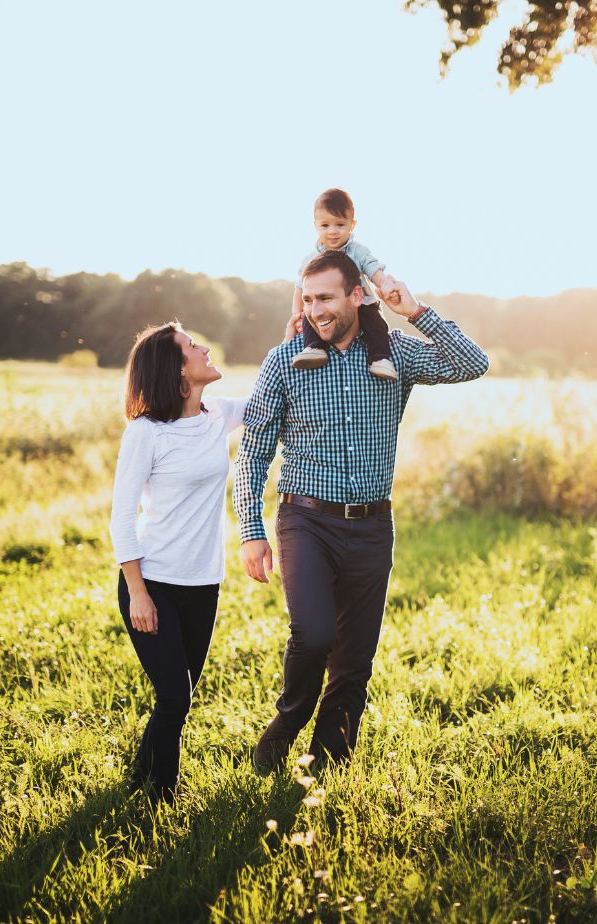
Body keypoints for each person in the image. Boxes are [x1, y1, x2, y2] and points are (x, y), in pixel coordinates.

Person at [234, 250, 489, 773]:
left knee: (354, 659)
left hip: (373, 526)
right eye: (307, 299)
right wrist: (250, 530)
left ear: (357, 296)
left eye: (325, 298)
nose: (314, 310)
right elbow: (255, 450)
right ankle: (288, 722)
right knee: (314, 634)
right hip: (305, 519)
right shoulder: (285, 361)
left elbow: (473, 363)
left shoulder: (393, 353)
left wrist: (415, 311)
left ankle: (328, 763)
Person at [109, 321, 247, 804]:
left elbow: (276, 396)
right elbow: (122, 520)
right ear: (177, 370)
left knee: (179, 698)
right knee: (174, 697)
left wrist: (300, 333)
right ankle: (159, 798)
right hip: (153, 582)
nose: (205, 347)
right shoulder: (145, 433)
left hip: (203, 582)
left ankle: (140, 781)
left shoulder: (217, 415)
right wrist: (139, 593)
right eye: (192, 346)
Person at [288, 187, 399, 381]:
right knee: (311, 316)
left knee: (377, 325)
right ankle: (313, 348)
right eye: (325, 225)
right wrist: (297, 314)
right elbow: (300, 288)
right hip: (320, 308)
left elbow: (373, 269)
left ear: (352, 225)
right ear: (315, 225)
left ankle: (380, 358)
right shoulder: (310, 259)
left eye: (340, 224)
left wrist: (386, 285)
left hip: (362, 303)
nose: (332, 231)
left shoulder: (358, 251)